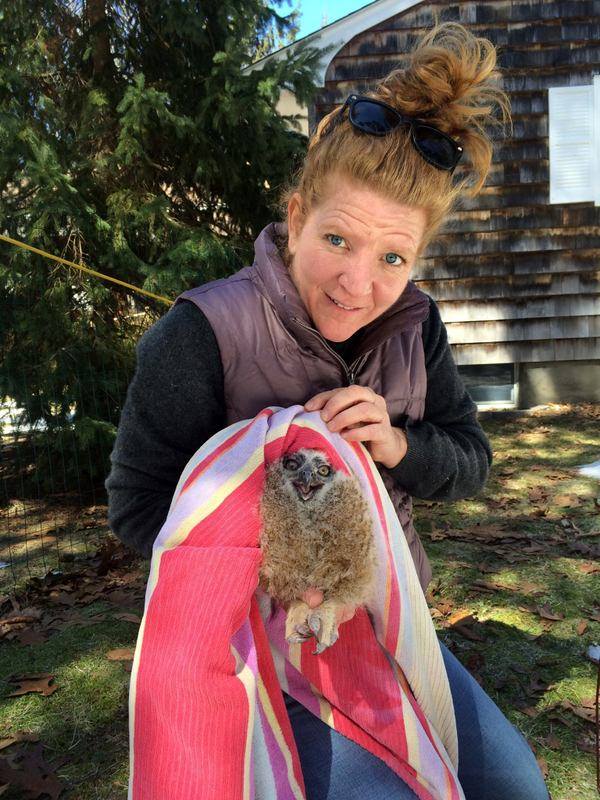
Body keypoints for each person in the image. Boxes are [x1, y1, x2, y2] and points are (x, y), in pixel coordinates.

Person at [106, 21, 548, 800]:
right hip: (259, 645)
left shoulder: (418, 326)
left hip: (389, 626)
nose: (358, 283)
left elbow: (471, 460)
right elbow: (137, 507)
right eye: (338, 239)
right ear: (297, 213)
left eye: (392, 258)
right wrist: (276, 540)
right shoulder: (200, 334)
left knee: (517, 786)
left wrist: (399, 446)